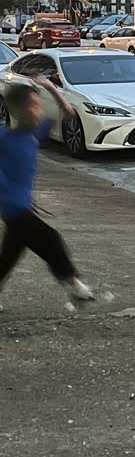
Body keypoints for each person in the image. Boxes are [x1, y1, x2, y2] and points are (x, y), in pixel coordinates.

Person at [0, 79, 94, 312]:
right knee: (50, 239)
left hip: (23, 204)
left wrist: (52, 89)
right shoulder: (4, 138)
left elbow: (69, 114)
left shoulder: (35, 131)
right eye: (33, 105)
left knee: (10, 253)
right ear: (18, 109)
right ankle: (74, 285)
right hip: (12, 206)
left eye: (39, 104)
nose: (38, 110)